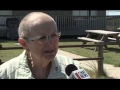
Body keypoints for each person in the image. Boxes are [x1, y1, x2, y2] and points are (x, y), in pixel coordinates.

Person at [0, 12, 81, 79]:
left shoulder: (73, 68)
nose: (50, 42)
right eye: (42, 38)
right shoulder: (6, 74)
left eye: (53, 35)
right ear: (24, 43)